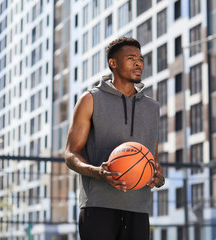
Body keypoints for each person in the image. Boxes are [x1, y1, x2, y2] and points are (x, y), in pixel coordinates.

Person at [64, 37, 165, 240]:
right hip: (98, 206)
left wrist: (158, 177)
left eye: (141, 59)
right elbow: (70, 153)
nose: (138, 63)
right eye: (130, 58)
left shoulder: (152, 108)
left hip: (138, 208)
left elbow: (151, 159)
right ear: (113, 63)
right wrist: (98, 172)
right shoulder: (90, 99)